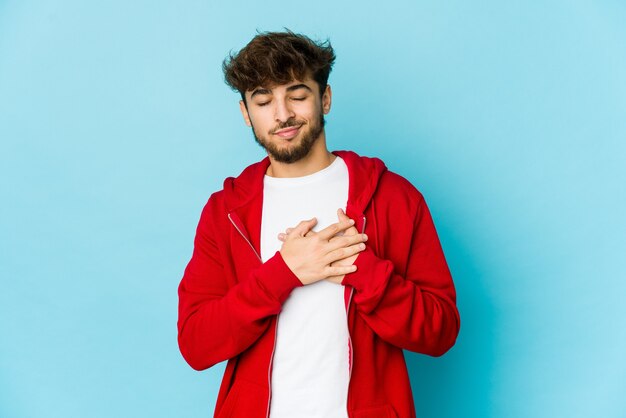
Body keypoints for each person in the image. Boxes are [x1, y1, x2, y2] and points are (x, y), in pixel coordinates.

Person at [177, 30, 460, 418]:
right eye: (263, 100)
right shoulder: (226, 211)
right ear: (246, 113)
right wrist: (284, 272)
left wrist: (363, 270)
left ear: (324, 98)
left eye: (297, 95)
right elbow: (196, 344)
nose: (282, 114)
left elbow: (440, 331)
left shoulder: (394, 197)